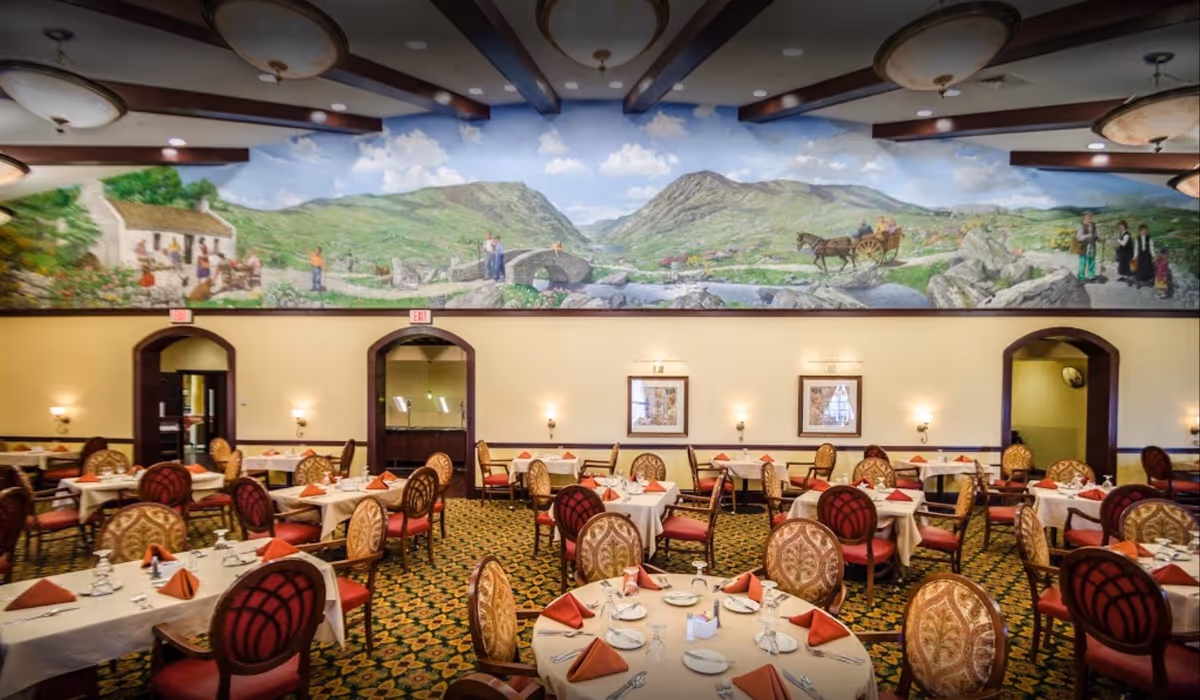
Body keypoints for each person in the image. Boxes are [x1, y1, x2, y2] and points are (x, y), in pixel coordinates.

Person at [1074, 211, 1098, 282]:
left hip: (1092, 246)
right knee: (1082, 263)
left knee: (1092, 262)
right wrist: (1087, 236)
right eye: (1088, 217)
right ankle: (1081, 277)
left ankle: (1091, 276)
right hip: (1084, 247)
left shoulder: (1093, 225)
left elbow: (1095, 234)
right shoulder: (1081, 226)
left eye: (1090, 216)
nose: (1089, 218)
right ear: (1084, 217)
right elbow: (1078, 237)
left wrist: (1097, 237)